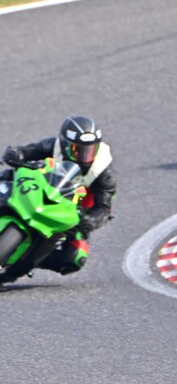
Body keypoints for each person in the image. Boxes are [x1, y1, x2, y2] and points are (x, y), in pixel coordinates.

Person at [1, 116, 117, 276]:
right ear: (65, 144)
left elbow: (103, 207)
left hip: (74, 214)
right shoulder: (53, 146)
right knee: (8, 176)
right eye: (77, 149)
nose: (84, 156)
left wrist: (91, 221)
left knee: (75, 257)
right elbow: (25, 152)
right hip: (42, 191)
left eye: (90, 150)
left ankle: (26, 259)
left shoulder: (103, 170)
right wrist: (14, 154)